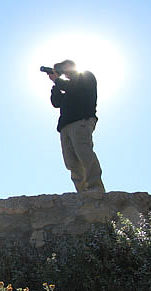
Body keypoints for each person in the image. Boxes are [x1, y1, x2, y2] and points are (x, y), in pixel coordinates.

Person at [48, 59, 105, 193]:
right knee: (71, 161)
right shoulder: (66, 86)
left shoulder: (85, 77)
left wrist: (58, 80)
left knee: (84, 153)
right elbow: (56, 102)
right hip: (65, 125)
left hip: (81, 121)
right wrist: (55, 85)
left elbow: (72, 87)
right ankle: (83, 191)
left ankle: (96, 187)